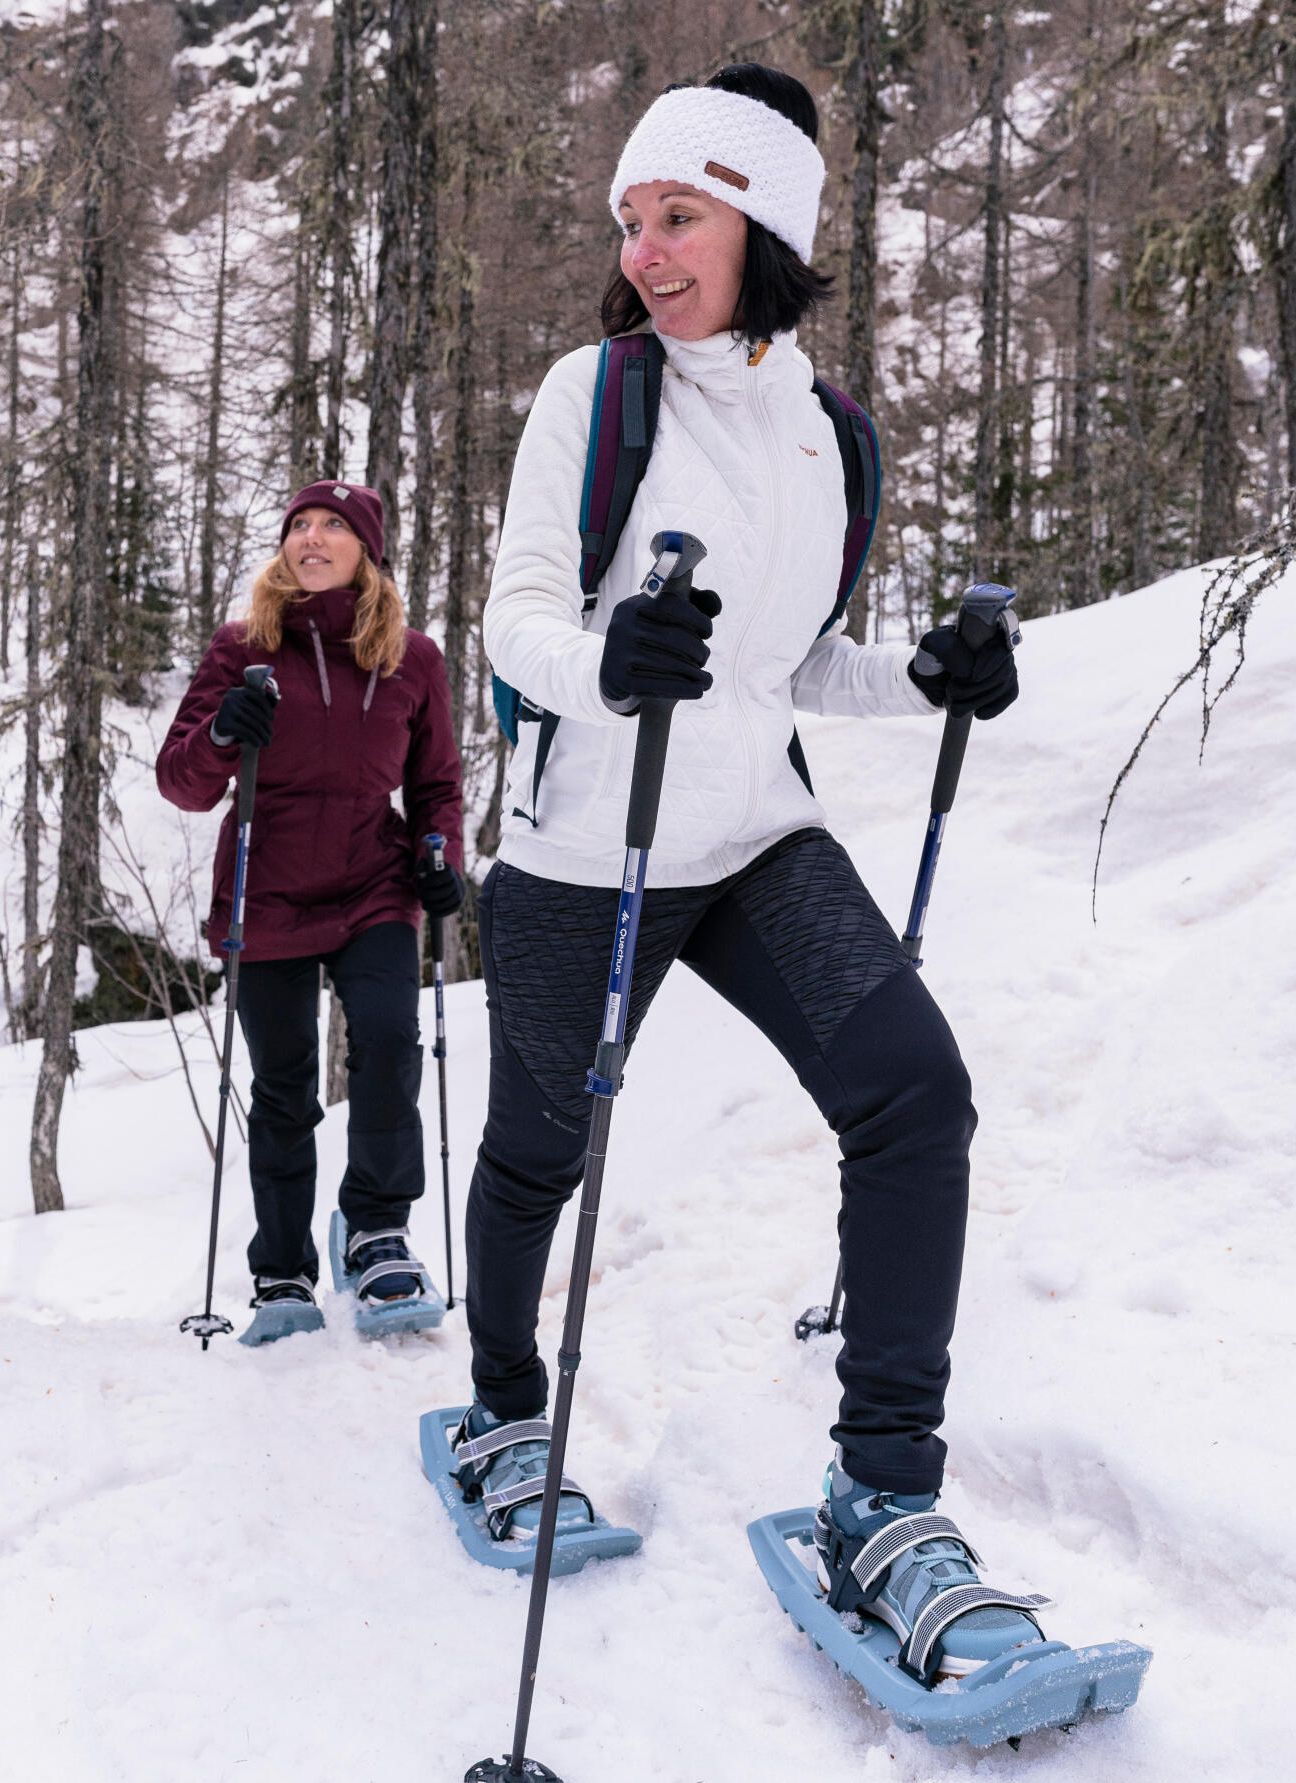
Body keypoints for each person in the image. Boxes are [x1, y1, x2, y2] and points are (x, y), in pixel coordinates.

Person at [439, 64, 1033, 1684]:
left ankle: (885, 1496)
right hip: (583, 844)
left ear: (762, 218)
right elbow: (517, 621)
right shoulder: (597, 394)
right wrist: (609, 658)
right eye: (632, 218)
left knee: (915, 1091)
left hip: (754, 833)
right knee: (542, 1146)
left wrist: (930, 677)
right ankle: (501, 1403)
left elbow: (798, 665)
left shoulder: (832, 437)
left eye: (677, 213)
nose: (643, 246)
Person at [158, 482, 465, 1341]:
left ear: (368, 551)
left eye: (334, 526)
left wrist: (442, 857)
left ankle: (375, 1232)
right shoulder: (244, 648)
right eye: (300, 525)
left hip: (374, 878)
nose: (313, 538)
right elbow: (181, 781)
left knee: (387, 1041)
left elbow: (436, 783)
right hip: (269, 887)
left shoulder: (414, 659)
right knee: (284, 1084)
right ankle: (283, 1269)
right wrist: (223, 729)